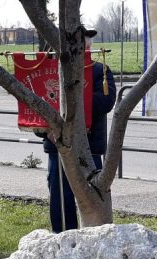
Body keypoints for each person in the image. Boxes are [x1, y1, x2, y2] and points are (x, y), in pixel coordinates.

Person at [41, 28, 117, 232]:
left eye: (83, 44)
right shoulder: (50, 70)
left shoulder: (99, 70)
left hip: (89, 146)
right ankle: (63, 238)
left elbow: (106, 101)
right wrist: (46, 128)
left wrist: (71, 104)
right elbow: (38, 102)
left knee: (93, 198)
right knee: (60, 199)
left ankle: (94, 240)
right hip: (58, 147)